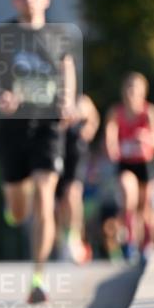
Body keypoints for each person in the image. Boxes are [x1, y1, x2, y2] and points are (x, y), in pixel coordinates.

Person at [0, 0, 76, 304]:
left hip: (47, 126)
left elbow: (67, 69)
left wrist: (67, 100)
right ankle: (14, 208)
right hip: (12, 127)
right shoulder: (3, 35)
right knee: (20, 210)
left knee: (45, 195)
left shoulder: (58, 36)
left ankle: (38, 278)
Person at [104, 73, 154, 263]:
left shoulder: (149, 112)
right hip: (126, 164)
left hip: (145, 163)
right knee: (128, 194)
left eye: (135, 88)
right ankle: (130, 241)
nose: (131, 92)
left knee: (145, 208)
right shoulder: (116, 112)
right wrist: (112, 147)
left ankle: (147, 244)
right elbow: (110, 135)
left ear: (143, 91)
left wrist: (146, 138)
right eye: (128, 88)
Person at [56, 93, 100, 262]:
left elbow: (93, 118)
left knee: (73, 193)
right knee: (59, 203)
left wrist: (88, 129)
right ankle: (62, 240)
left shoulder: (82, 100)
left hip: (76, 151)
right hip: (56, 149)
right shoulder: (52, 96)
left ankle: (74, 238)